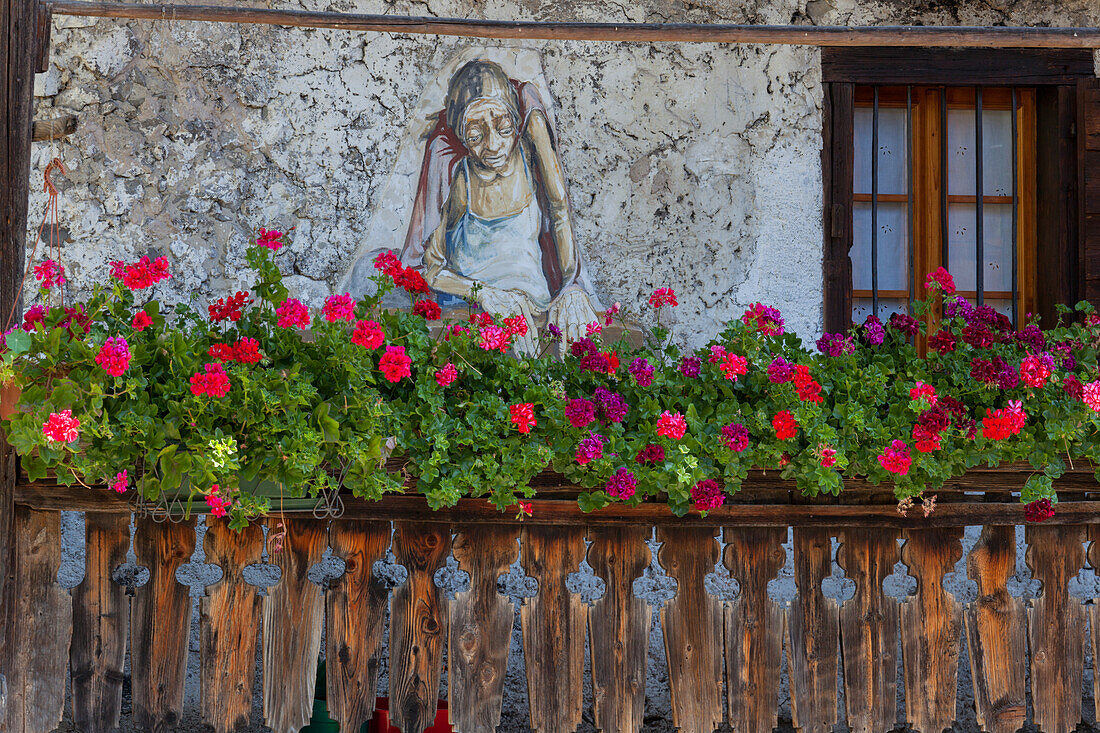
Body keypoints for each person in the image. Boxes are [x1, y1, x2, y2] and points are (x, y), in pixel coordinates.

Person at [401, 59, 599, 354]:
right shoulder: (460, 178)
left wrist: (571, 287)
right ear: (461, 137)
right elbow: (431, 268)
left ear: (515, 123)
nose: (493, 145)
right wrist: (486, 295)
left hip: (538, 310)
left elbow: (559, 210)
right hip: (479, 316)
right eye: (475, 136)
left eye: (503, 127)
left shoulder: (530, 150)